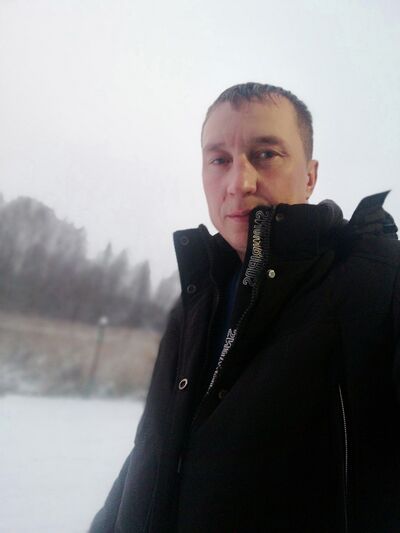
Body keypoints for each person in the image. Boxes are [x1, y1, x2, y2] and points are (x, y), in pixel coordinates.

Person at [89, 83, 400, 533]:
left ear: (310, 176)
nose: (239, 183)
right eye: (219, 160)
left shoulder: (378, 285)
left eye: (266, 154)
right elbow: (152, 451)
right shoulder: (197, 298)